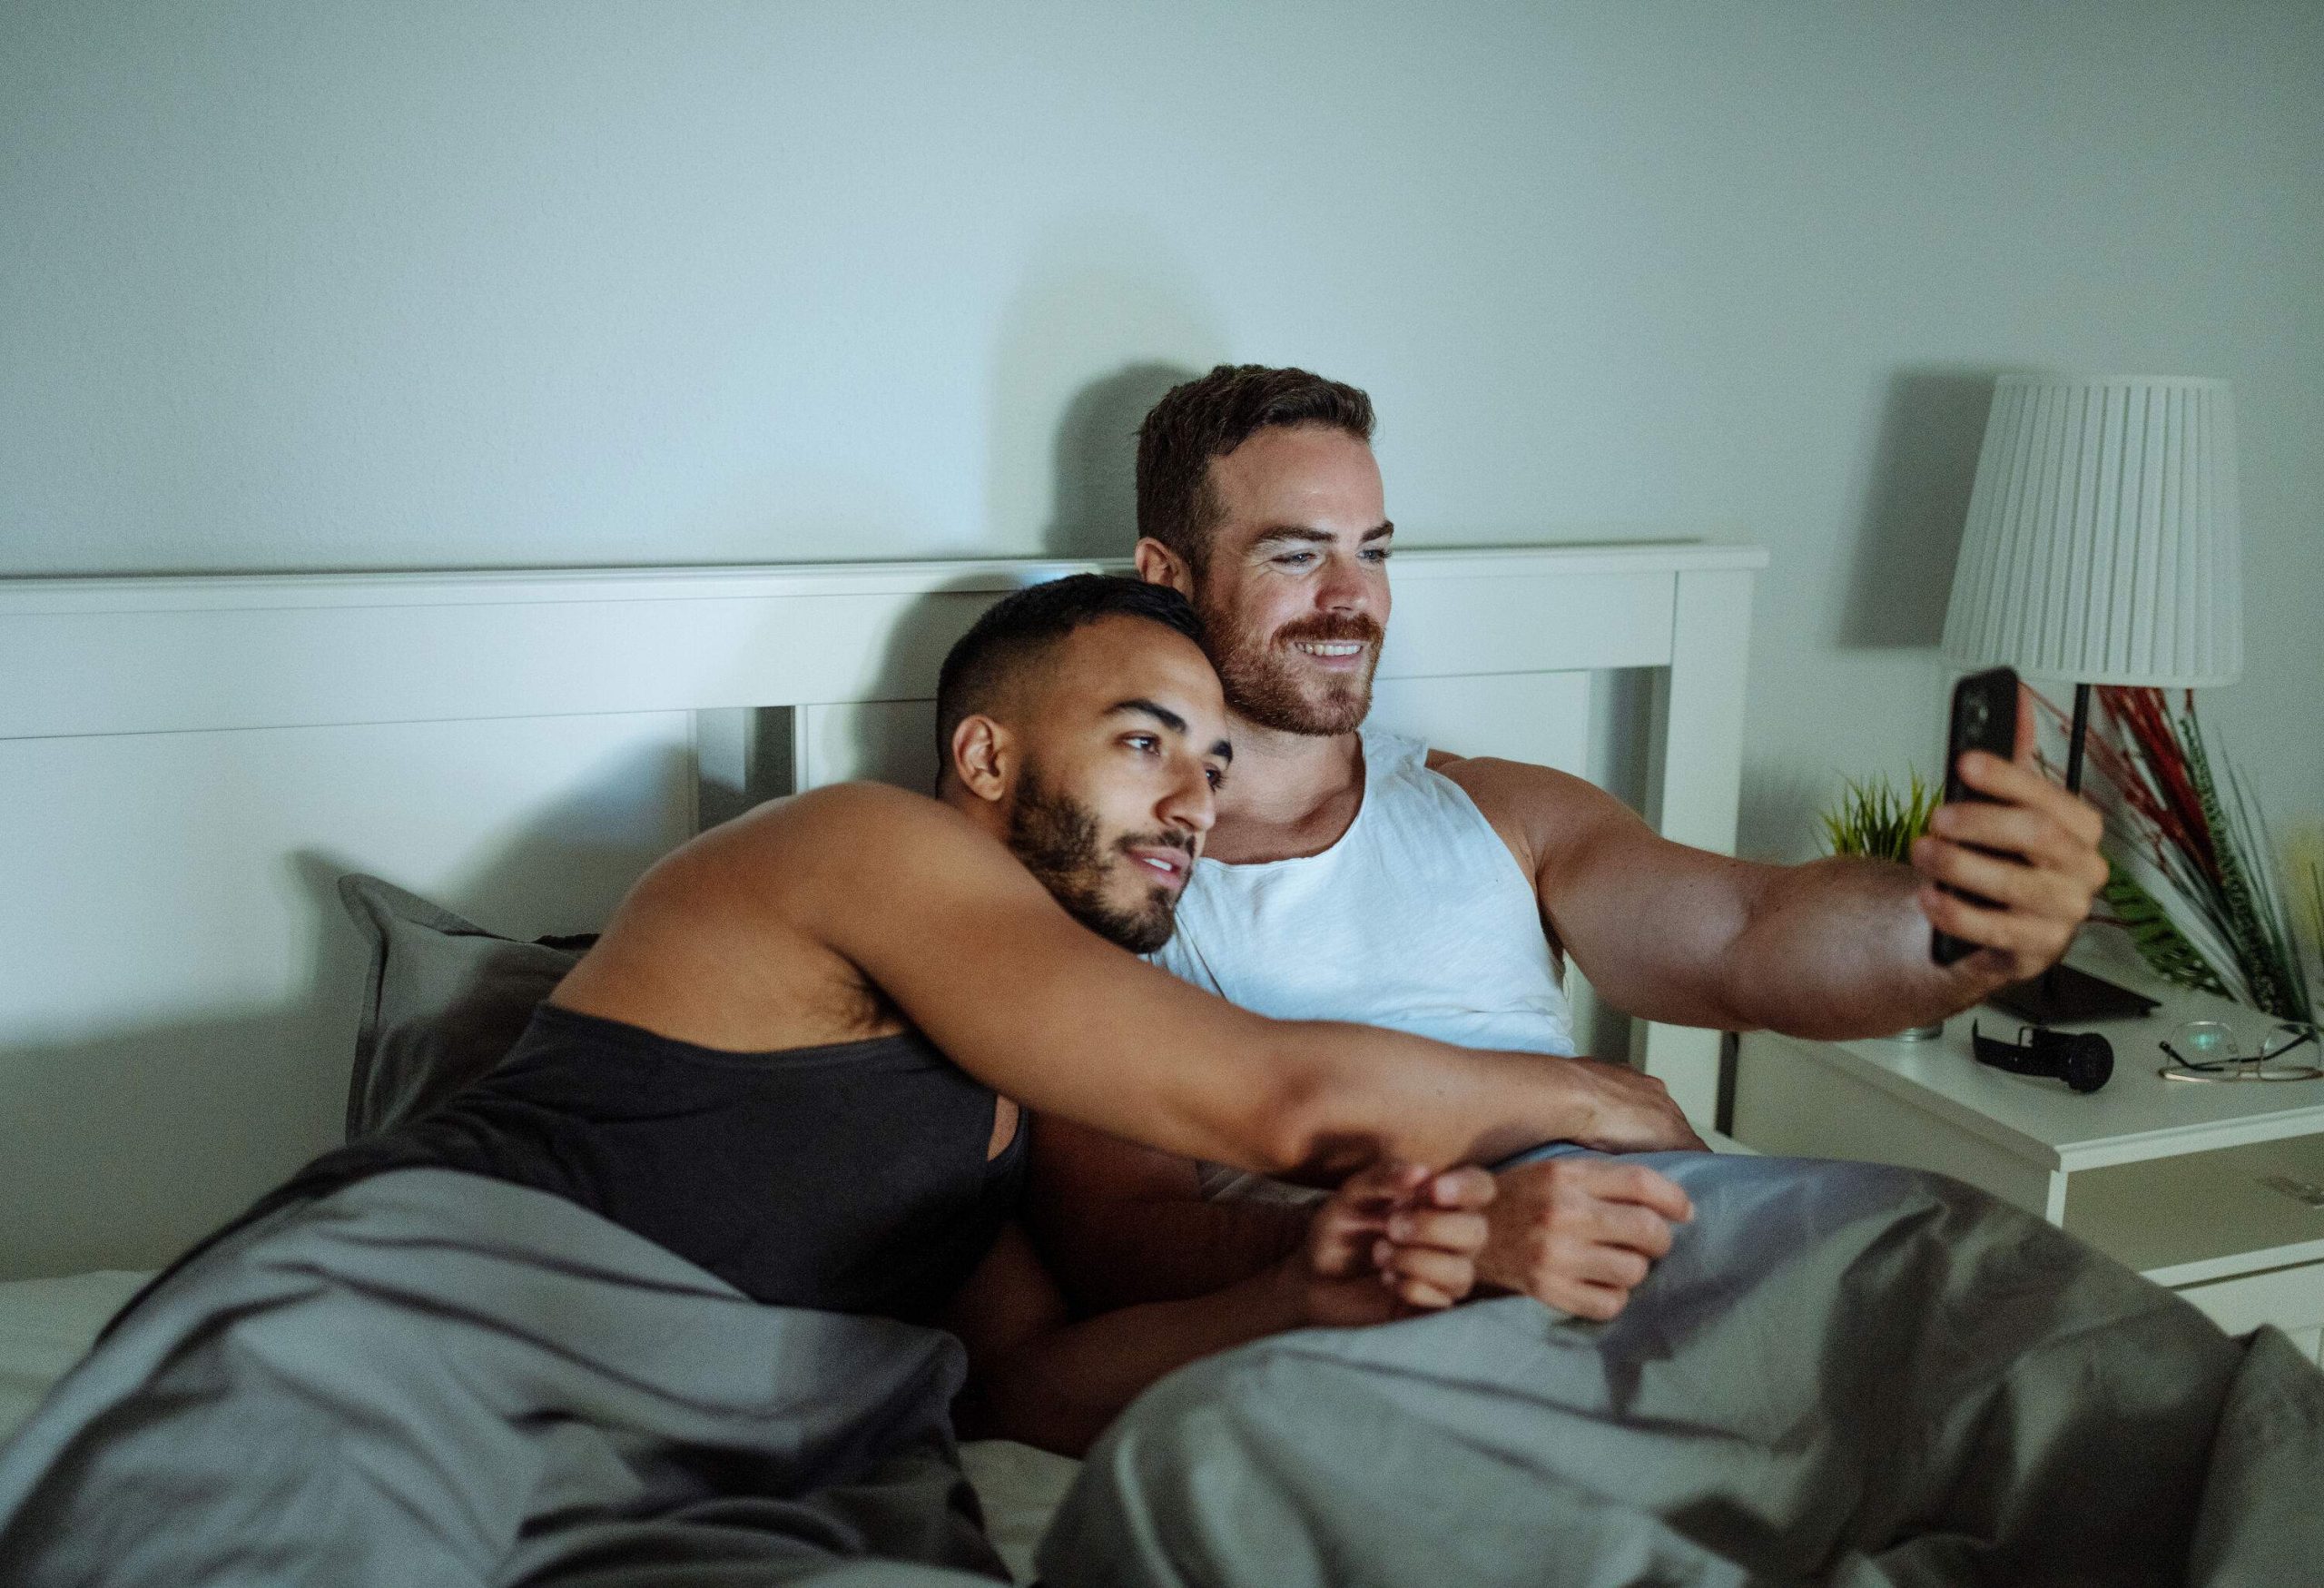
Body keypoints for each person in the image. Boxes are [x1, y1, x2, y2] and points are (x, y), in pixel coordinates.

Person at [0, 576, 1687, 1587]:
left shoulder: (1015, 1097)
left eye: (1217, 758)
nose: (1194, 798)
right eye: (1147, 737)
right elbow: (1274, 1097)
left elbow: (1030, 1386)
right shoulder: (852, 843)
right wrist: (1608, 1099)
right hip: (408, 1339)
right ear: (983, 756)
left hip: (708, 1467)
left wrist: (1314, 1296)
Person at [1029, 364, 2112, 1325]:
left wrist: (1950, 930)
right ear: (1166, 577)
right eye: (1298, 554)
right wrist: (1432, 1239)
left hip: (1667, 1228)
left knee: (2016, 1289)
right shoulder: (1109, 881)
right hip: (1410, 1294)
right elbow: (1124, 1238)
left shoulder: (1499, 809)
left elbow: (1747, 932)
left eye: (1373, 552)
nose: (1353, 599)